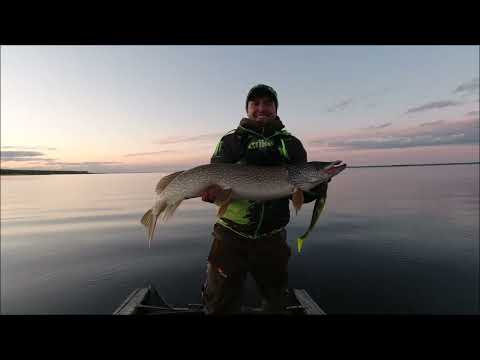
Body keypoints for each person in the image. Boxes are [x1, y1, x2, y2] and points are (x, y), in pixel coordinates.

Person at [200, 84, 328, 314]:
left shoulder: (291, 144)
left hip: (272, 238)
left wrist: (317, 185)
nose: (262, 108)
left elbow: (302, 196)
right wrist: (213, 196)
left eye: (268, 103)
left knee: (276, 303)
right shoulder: (230, 141)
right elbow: (216, 180)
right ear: (248, 108)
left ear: (276, 108)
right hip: (230, 235)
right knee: (220, 304)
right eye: (255, 103)